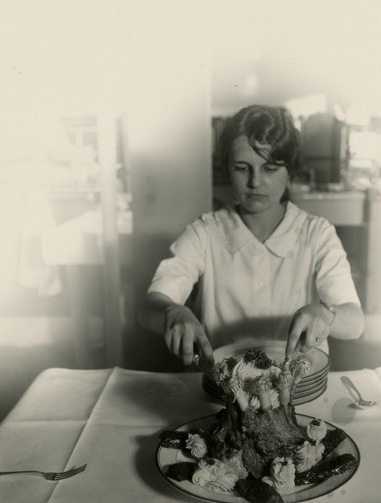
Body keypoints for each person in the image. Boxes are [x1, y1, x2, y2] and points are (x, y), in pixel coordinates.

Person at [139, 104, 364, 366]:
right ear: (226, 169)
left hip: (297, 390)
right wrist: (171, 311)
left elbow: (355, 322)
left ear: (290, 170)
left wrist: (327, 314)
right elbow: (149, 308)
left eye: (270, 168)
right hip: (224, 392)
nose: (255, 182)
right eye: (242, 168)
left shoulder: (317, 234)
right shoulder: (205, 232)